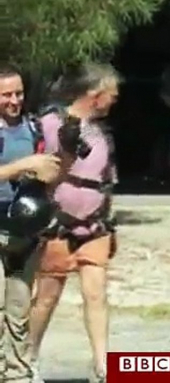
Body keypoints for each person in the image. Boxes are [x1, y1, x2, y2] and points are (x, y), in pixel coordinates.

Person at [29, 62, 121, 383]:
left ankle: (101, 365)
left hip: (95, 224)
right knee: (47, 296)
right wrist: (68, 142)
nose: (115, 100)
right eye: (111, 94)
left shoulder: (100, 132)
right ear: (95, 95)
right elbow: (50, 169)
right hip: (58, 222)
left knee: (96, 293)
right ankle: (28, 355)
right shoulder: (51, 123)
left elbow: (105, 176)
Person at [0, 64, 61, 383]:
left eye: (18, 93)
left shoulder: (33, 128)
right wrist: (24, 165)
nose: (14, 101)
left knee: (19, 308)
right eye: (6, 95)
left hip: (24, 229)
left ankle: (18, 373)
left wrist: (48, 170)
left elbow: (49, 172)